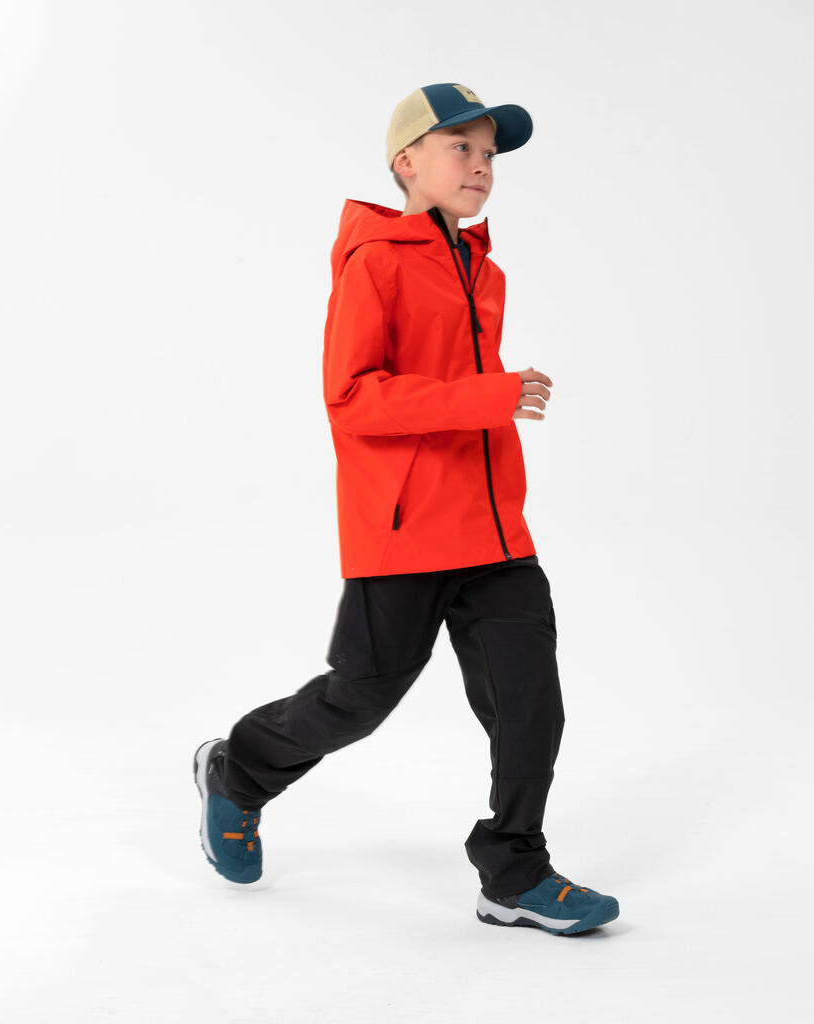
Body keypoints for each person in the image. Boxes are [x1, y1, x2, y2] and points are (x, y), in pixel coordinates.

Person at [193, 82, 620, 935]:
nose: (481, 166)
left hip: (496, 532)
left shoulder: (485, 270)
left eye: (489, 153)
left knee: (532, 705)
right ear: (406, 162)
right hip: (404, 531)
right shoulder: (374, 262)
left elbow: (457, 391)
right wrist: (486, 397)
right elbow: (351, 398)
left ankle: (513, 872)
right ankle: (237, 772)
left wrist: (488, 408)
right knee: (360, 699)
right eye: (461, 147)